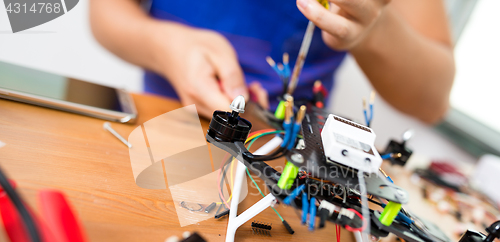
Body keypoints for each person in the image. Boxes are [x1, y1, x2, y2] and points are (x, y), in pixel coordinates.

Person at [89, 0, 455, 123]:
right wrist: (164, 46)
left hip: (288, 158)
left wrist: (373, 29)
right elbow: (106, 13)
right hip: (164, 123)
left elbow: (431, 102)